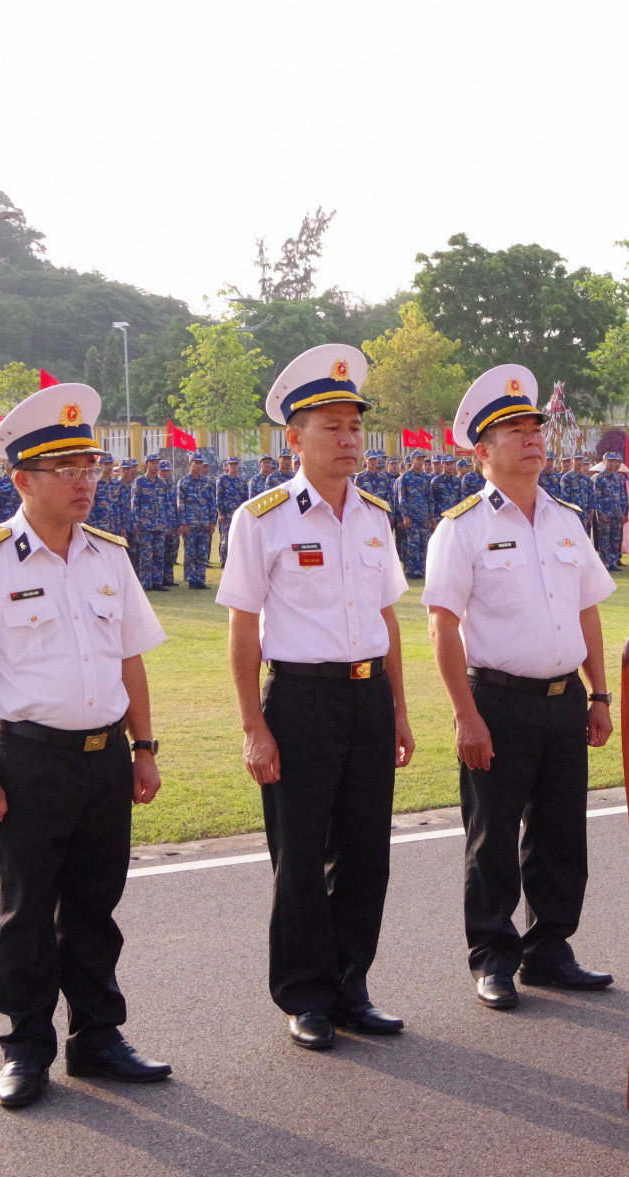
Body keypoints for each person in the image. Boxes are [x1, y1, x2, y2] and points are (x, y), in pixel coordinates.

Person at [0, 382, 171, 1110]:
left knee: (97, 907)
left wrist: (144, 746)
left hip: (104, 759)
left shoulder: (109, 556)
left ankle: (98, 1037)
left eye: (90, 466)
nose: (84, 481)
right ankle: (27, 1046)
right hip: (30, 760)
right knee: (28, 910)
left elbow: (131, 657)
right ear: (22, 480)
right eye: (65, 468)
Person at [217, 344, 413, 1052]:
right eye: (332, 426)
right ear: (294, 438)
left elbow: (388, 616)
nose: (349, 439)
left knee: (367, 851)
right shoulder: (262, 519)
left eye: (356, 426)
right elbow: (243, 631)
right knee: (299, 854)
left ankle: (351, 985)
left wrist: (399, 708)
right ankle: (304, 994)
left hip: (368, 695)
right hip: (299, 698)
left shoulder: (373, 515)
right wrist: (253, 726)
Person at [424, 364, 616, 1011]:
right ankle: (493, 955)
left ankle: (550, 948)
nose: (533, 438)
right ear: (483, 450)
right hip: (497, 701)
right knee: (493, 833)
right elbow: (442, 624)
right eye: (515, 429)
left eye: (536, 426)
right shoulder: (462, 526)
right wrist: (464, 715)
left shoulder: (565, 518)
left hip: (564, 700)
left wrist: (599, 692)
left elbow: (587, 608)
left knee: (562, 834)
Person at [131, 454, 175, 591]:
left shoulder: (162, 483)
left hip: (160, 524)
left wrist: (168, 522)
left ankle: (157, 582)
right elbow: (134, 504)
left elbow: (167, 503)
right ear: (146, 465)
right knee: (145, 555)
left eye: (157, 463)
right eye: (152, 463)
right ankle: (145, 583)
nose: (155, 466)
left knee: (159, 554)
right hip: (145, 524)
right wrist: (135, 523)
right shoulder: (139, 482)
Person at [176, 451, 217, 589]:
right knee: (190, 553)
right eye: (196, 463)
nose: (199, 466)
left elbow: (211, 502)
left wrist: (212, 521)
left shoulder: (207, 481)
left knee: (202, 552)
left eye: (201, 463)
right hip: (190, 524)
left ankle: (200, 579)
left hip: (204, 523)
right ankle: (191, 579)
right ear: (190, 464)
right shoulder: (184, 482)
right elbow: (180, 504)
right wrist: (183, 524)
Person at [393, 450, 436, 578]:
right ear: (412, 461)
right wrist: (404, 516)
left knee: (424, 543)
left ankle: (422, 570)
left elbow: (430, 498)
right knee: (413, 543)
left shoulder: (426, 478)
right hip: (411, 517)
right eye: (418, 459)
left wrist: (432, 517)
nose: (420, 462)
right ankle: (412, 571)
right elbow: (401, 498)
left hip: (423, 517)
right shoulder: (404, 477)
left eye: (422, 459)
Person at [591, 451, 629, 570]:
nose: (613, 464)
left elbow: (624, 496)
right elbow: (597, 497)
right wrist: (601, 512)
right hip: (605, 514)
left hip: (617, 513)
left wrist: (625, 512)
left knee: (616, 539)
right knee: (604, 539)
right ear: (604, 462)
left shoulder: (620, 478)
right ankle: (604, 563)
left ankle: (613, 562)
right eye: (610, 461)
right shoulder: (599, 478)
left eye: (615, 461)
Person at [215, 455, 249, 567]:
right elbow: (219, 497)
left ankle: (236, 562)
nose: (233, 467)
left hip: (239, 515)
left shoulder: (242, 481)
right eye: (231, 464)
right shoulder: (223, 479)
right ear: (228, 466)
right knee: (225, 540)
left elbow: (245, 499)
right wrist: (220, 513)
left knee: (239, 539)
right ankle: (224, 562)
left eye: (235, 464)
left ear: (238, 466)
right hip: (227, 515)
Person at [0, 455, 22, 527]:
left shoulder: (22, 480)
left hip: (20, 524)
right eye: (8, 459)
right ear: (3, 461)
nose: (11, 461)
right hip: (4, 526)